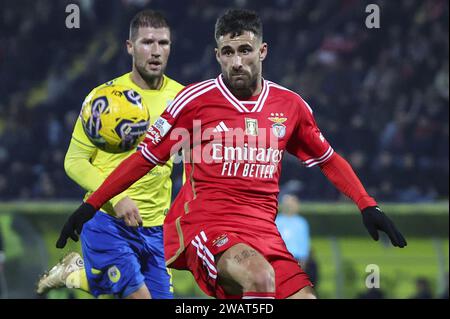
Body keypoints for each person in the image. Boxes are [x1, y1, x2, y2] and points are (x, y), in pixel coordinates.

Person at [56, 9, 407, 299]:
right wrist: (91, 204)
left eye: (244, 50)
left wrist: (367, 204)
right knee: (259, 278)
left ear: (262, 51)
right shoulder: (193, 102)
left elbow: (328, 159)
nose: (237, 61)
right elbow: (143, 159)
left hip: (265, 235)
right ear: (217, 55)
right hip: (207, 227)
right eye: (228, 52)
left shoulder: (290, 106)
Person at [37, 10, 184, 299]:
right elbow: (74, 160)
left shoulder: (181, 99)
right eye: (147, 42)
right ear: (129, 47)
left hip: (154, 229)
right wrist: (115, 197)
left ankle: (76, 274)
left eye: (163, 43)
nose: (156, 52)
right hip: (107, 222)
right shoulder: (104, 99)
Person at [275, 193, 310, 268]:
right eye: (287, 204)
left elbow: (304, 243)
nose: (290, 206)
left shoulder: (301, 222)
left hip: (297, 260)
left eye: (292, 204)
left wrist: (303, 261)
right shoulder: (276, 221)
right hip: (279, 259)